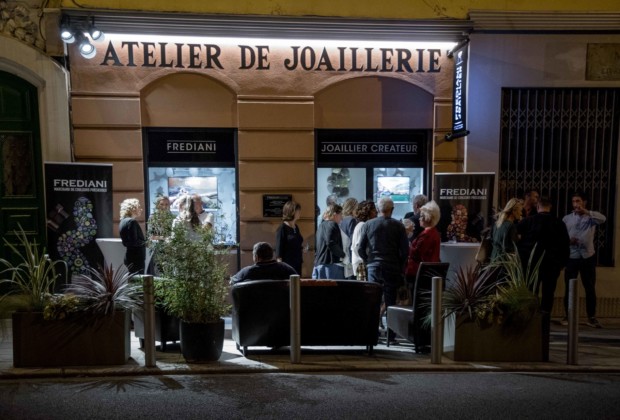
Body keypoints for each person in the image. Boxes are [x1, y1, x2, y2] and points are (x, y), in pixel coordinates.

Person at [517, 196, 570, 360]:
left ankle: (529, 321)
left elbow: (517, 240)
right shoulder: (558, 223)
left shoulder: (528, 221)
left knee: (531, 292)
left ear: (538, 206)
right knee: (548, 294)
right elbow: (565, 245)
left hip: (531, 266)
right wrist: (561, 264)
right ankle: (544, 323)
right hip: (551, 266)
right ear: (550, 207)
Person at [358, 197, 409, 343]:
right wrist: (400, 266)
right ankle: (390, 336)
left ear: (378, 209)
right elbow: (405, 251)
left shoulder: (368, 224)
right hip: (391, 267)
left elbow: (360, 248)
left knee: (373, 300)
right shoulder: (398, 226)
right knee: (390, 301)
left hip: (373, 267)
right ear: (392, 209)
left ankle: (372, 334)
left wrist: (368, 261)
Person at [561, 191, 606, 328]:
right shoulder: (567, 219)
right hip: (572, 257)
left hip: (587, 257)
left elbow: (603, 219)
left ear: (584, 202)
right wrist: (569, 241)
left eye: (578, 201)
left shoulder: (591, 218)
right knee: (569, 287)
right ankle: (568, 315)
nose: (575, 204)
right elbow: (561, 236)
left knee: (590, 288)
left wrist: (587, 212)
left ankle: (591, 317)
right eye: (574, 201)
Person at [405, 200, 442, 287]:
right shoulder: (434, 232)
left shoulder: (426, 234)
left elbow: (416, 253)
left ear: (427, 218)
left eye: (421, 216)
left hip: (420, 273)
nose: (419, 218)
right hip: (429, 271)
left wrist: (407, 242)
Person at [230, 242, 297, 284]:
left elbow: (231, 282)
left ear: (256, 257)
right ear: (271, 255)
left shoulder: (247, 272)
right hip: (280, 303)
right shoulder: (285, 268)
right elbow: (297, 281)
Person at [312, 203, 345, 279]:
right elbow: (330, 242)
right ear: (335, 214)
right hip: (330, 264)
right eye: (340, 214)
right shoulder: (332, 224)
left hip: (319, 263)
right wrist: (343, 254)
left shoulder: (321, 225)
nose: (341, 218)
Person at [275, 200, 304, 275]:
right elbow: (278, 251)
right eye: (298, 210)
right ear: (292, 212)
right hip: (287, 265)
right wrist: (280, 268)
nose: (300, 212)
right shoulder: (282, 228)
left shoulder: (296, 227)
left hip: (297, 264)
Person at [350, 200, 377, 281]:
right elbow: (359, 247)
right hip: (361, 263)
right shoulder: (362, 225)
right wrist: (367, 259)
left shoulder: (363, 225)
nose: (376, 212)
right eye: (373, 210)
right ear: (367, 212)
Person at [119, 198, 146, 275]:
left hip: (130, 257)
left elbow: (127, 242)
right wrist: (146, 242)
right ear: (132, 208)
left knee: (132, 279)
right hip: (136, 258)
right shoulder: (131, 221)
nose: (141, 209)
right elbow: (134, 242)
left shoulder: (123, 221)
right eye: (139, 207)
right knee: (138, 280)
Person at [339, 198, 359, 279]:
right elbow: (352, 240)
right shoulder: (352, 220)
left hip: (344, 256)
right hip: (350, 256)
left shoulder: (343, 220)